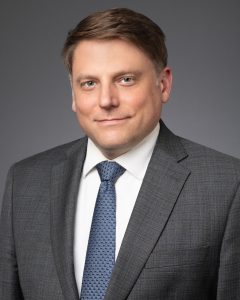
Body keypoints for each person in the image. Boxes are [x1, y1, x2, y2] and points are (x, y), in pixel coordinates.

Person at [0, 7, 240, 300]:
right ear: (73, 94)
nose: (106, 100)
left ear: (163, 85)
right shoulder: (24, 183)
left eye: (125, 79)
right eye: (89, 83)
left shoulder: (228, 187)